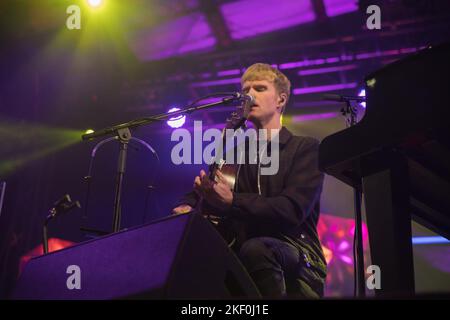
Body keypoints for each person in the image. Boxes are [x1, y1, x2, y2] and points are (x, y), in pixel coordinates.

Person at [172, 63, 327, 298]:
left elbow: (292, 209)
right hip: (244, 252)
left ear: (281, 100)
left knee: (256, 249)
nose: (250, 95)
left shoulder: (305, 148)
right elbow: (201, 193)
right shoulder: (233, 156)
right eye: (246, 90)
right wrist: (187, 206)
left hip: (297, 254)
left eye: (260, 88)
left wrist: (233, 201)